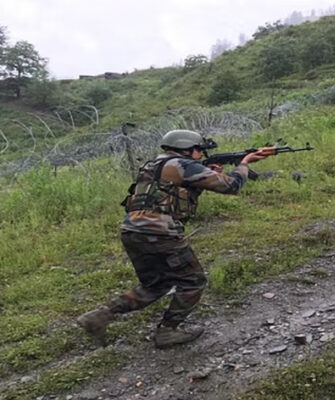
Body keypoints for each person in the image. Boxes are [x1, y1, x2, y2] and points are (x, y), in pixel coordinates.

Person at [77, 129, 272, 348]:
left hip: (132, 231)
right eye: (199, 150)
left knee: (156, 284)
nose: (201, 155)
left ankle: (99, 316)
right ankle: (167, 331)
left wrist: (207, 174)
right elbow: (231, 186)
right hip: (160, 233)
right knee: (193, 281)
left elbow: (173, 194)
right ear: (187, 149)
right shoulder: (184, 165)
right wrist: (244, 164)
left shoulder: (153, 165)